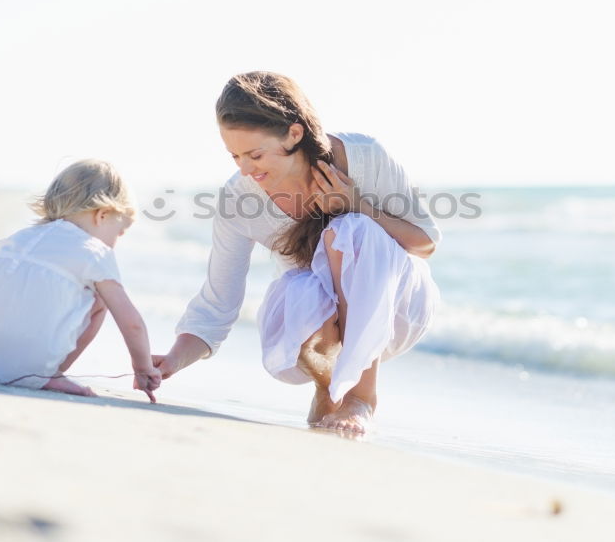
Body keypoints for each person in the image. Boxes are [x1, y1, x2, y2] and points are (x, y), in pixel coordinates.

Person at [154, 72, 440, 433]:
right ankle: (328, 388)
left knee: (348, 231)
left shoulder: (364, 156)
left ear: (294, 133)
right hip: (312, 331)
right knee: (299, 285)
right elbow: (218, 302)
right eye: (235, 156)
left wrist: (357, 205)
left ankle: (360, 398)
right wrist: (172, 361)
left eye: (255, 154)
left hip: (395, 307)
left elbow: (425, 243)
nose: (245, 169)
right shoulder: (240, 199)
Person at [0, 159, 162, 400]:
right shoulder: (95, 251)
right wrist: (142, 368)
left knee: (15, 282)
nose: (116, 241)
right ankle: (49, 374)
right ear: (103, 215)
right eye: (120, 232)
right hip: (27, 360)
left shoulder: (26, 236)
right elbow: (132, 323)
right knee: (100, 302)